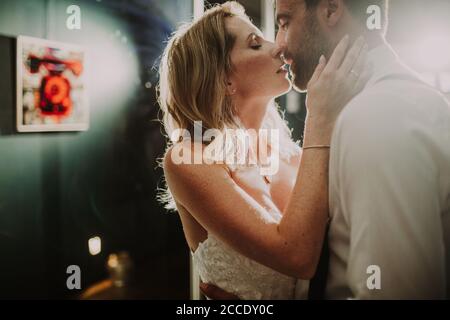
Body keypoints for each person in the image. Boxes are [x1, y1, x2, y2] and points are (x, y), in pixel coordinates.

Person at [205, 0, 450, 299]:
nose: (279, 45)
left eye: (284, 22)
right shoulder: (366, 109)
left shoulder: (377, 115)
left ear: (331, 11)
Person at [158, 1, 370, 299]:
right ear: (224, 78)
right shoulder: (187, 161)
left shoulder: (298, 158)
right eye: (255, 45)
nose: (279, 47)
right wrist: (320, 118)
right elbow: (297, 257)